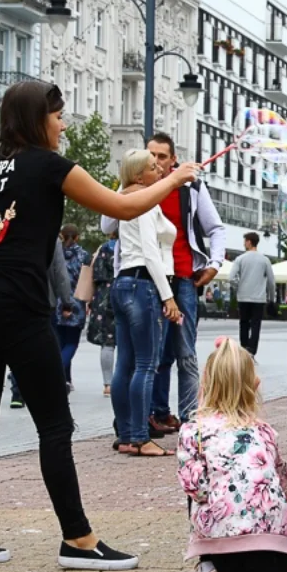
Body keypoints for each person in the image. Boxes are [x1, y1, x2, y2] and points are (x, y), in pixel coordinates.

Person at [0, 80, 199, 571]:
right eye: (58, 115)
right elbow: (122, 206)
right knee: (55, 427)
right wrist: (175, 178)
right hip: (18, 305)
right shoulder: (48, 164)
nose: (63, 124)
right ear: (38, 118)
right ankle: (78, 541)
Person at [102, 132, 226, 434]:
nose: (155, 162)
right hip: (145, 281)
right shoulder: (135, 192)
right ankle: (144, 420)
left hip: (182, 277)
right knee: (148, 357)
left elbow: (215, 228)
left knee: (181, 352)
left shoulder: (190, 187)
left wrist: (215, 263)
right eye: (150, 156)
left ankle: (185, 416)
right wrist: (127, 184)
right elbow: (108, 226)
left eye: (161, 157)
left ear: (173, 160)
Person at [175, 337, 287, 572]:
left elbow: (197, 489)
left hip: (230, 558)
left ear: (205, 383)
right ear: (253, 385)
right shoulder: (265, 431)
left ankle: (207, 570)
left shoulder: (194, 431)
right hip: (278, 566)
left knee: (199, 481)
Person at [110, 149, 182, 458]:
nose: (161, 171)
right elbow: (152, 252)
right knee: (145, 365)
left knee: (124, 365)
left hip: (123, 283)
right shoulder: (145, 203)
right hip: (144, 285)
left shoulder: (125, 198)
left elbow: (105, 226)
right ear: (139, 175)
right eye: (153, 168)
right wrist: (168, 296)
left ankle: (126, 435)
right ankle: (140, 437)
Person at [9, 235, 73, 408]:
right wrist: (67, 301)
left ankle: (17, 393)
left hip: (15, 300)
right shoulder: (51, 239)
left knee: (18, 349)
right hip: (43, 302)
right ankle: (48, 393)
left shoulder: (13, 234)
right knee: (47, 348)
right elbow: (60, 273)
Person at [53, 225, 90, 390]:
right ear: (77, 237)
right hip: (77, 302)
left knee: (61, 343)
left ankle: (66, 380)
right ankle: (58, 374)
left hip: (57, 302)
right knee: (72, 343)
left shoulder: (54, 253)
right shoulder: (83, 255)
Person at [230, 232, 275, 356]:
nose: (244, 244)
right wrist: (271, 298)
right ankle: (252, 351)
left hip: (243, 297)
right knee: (256, 325)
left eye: (245, 241)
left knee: (243, 323)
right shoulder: (265, 260)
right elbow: (271, 281)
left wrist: (238, 287)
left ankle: (244, 349)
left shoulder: (240, 259)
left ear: (249, 242)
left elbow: (231, 278)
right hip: (259, 299)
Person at [87, 234, 118, 398]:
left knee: (107, 343)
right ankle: (125, 380)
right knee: (129, 344)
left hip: (104, 299)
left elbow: (96, 274)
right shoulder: (131, 246)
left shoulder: (105, 249)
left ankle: (108, 384)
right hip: (128, 294)